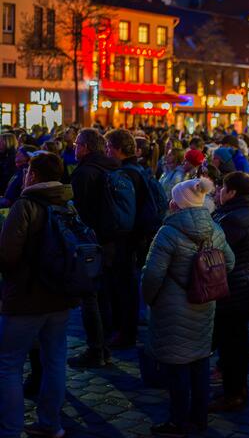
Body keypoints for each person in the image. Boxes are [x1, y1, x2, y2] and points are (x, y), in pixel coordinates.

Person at [142, 177, 234, 437]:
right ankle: (199, 417)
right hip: (204, 304)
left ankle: (178, 421)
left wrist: (150, 299)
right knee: (200, 362)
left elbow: (152, 275)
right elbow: (229, 262)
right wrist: (206, 282)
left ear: (177, 204)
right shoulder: (215, 229)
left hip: (173, 306)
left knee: (177, 367)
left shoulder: (168, 232)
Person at [0, 152, 80, 438]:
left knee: (9, 364)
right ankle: (51, 423)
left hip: (25, 296)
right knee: (55, 359)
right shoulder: (68, 204)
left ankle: (10, 429)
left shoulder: (25, 205)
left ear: (32, 175)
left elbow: (8, 255)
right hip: (60, 295)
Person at [67, 128, 121, 368]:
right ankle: (104, 346)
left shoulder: (85, 173)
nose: (74, 148)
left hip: (91, 241)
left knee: (90, 298)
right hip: (112, 240)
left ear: (86, 147)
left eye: (77, 144)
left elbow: (79, 212)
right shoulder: (111, 167)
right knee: (104, 296)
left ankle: (95, 349)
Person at [210, 172, 249, 411]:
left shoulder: (233, 219)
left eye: (222, 187)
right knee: (237, 342)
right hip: (246, 285)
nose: (219, 191)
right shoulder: (248, 212)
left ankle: (234, 393)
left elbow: (217, 251)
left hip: (233, 288)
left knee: (232, 345)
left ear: (232, 192)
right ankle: (236, 388)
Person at [105, 129, 145, 349]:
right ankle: (125, 330)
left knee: (125, 288)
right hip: (135, 238)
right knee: (126, 286)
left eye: (109, 147)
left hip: (127, 239)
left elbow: (126, 213)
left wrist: (118, 233)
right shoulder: (138, 169)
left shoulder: (126, 174)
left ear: (118, 148)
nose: (107, 151)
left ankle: (125, 333)